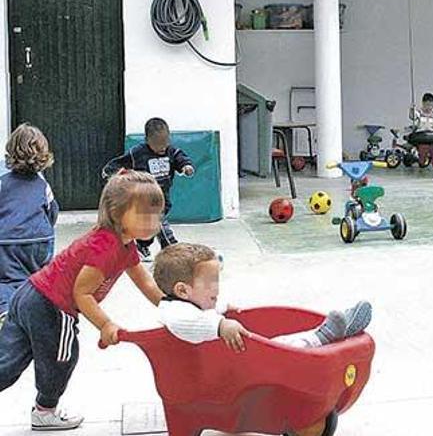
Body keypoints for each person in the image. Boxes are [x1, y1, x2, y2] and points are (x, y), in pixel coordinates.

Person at [0, 170, 166, 430]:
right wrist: (106, 325)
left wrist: (171, 307)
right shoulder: (105, 247)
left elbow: (145, 283)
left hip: (30, 294)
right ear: (116, 212)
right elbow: (82, 294)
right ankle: (46, 411)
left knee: (6, 362)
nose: (153, 222)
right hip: (51, 306)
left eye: (157, 214)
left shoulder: (125, 246)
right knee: (62, 358)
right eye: (144, 214)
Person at [152, 243, 372, 351]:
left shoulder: (191, 300)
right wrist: (221, 325)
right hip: (216, 372)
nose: (217, 289)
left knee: (276, 343)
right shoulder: (173, 312)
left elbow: (208, 309)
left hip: (224, 363)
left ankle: (327, 332)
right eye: (212, 283)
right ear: (182, 290)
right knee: (278, 350)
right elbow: (191, 322)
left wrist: (225, 306)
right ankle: (322, 336)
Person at [102, 118, 194, 261]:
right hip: (145, 197)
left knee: (149, 227)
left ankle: (142, 245)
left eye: (165, 142)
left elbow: (181, 159)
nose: (162, 148)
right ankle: (172, 249)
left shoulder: (171, 152)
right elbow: (118, 163)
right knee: (159, 222)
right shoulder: (138, 153)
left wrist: (186, 167)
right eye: (157, 144)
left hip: (163, 196)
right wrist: (110, 173)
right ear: (147, 140)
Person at [0, 124, 59, 328]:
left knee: (7, 280)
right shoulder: (42, 185)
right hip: (41, 240)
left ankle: (7, 312)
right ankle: (39, 314)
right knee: (38, 279)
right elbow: (52, 212)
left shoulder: (2, 182)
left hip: (8, 241)